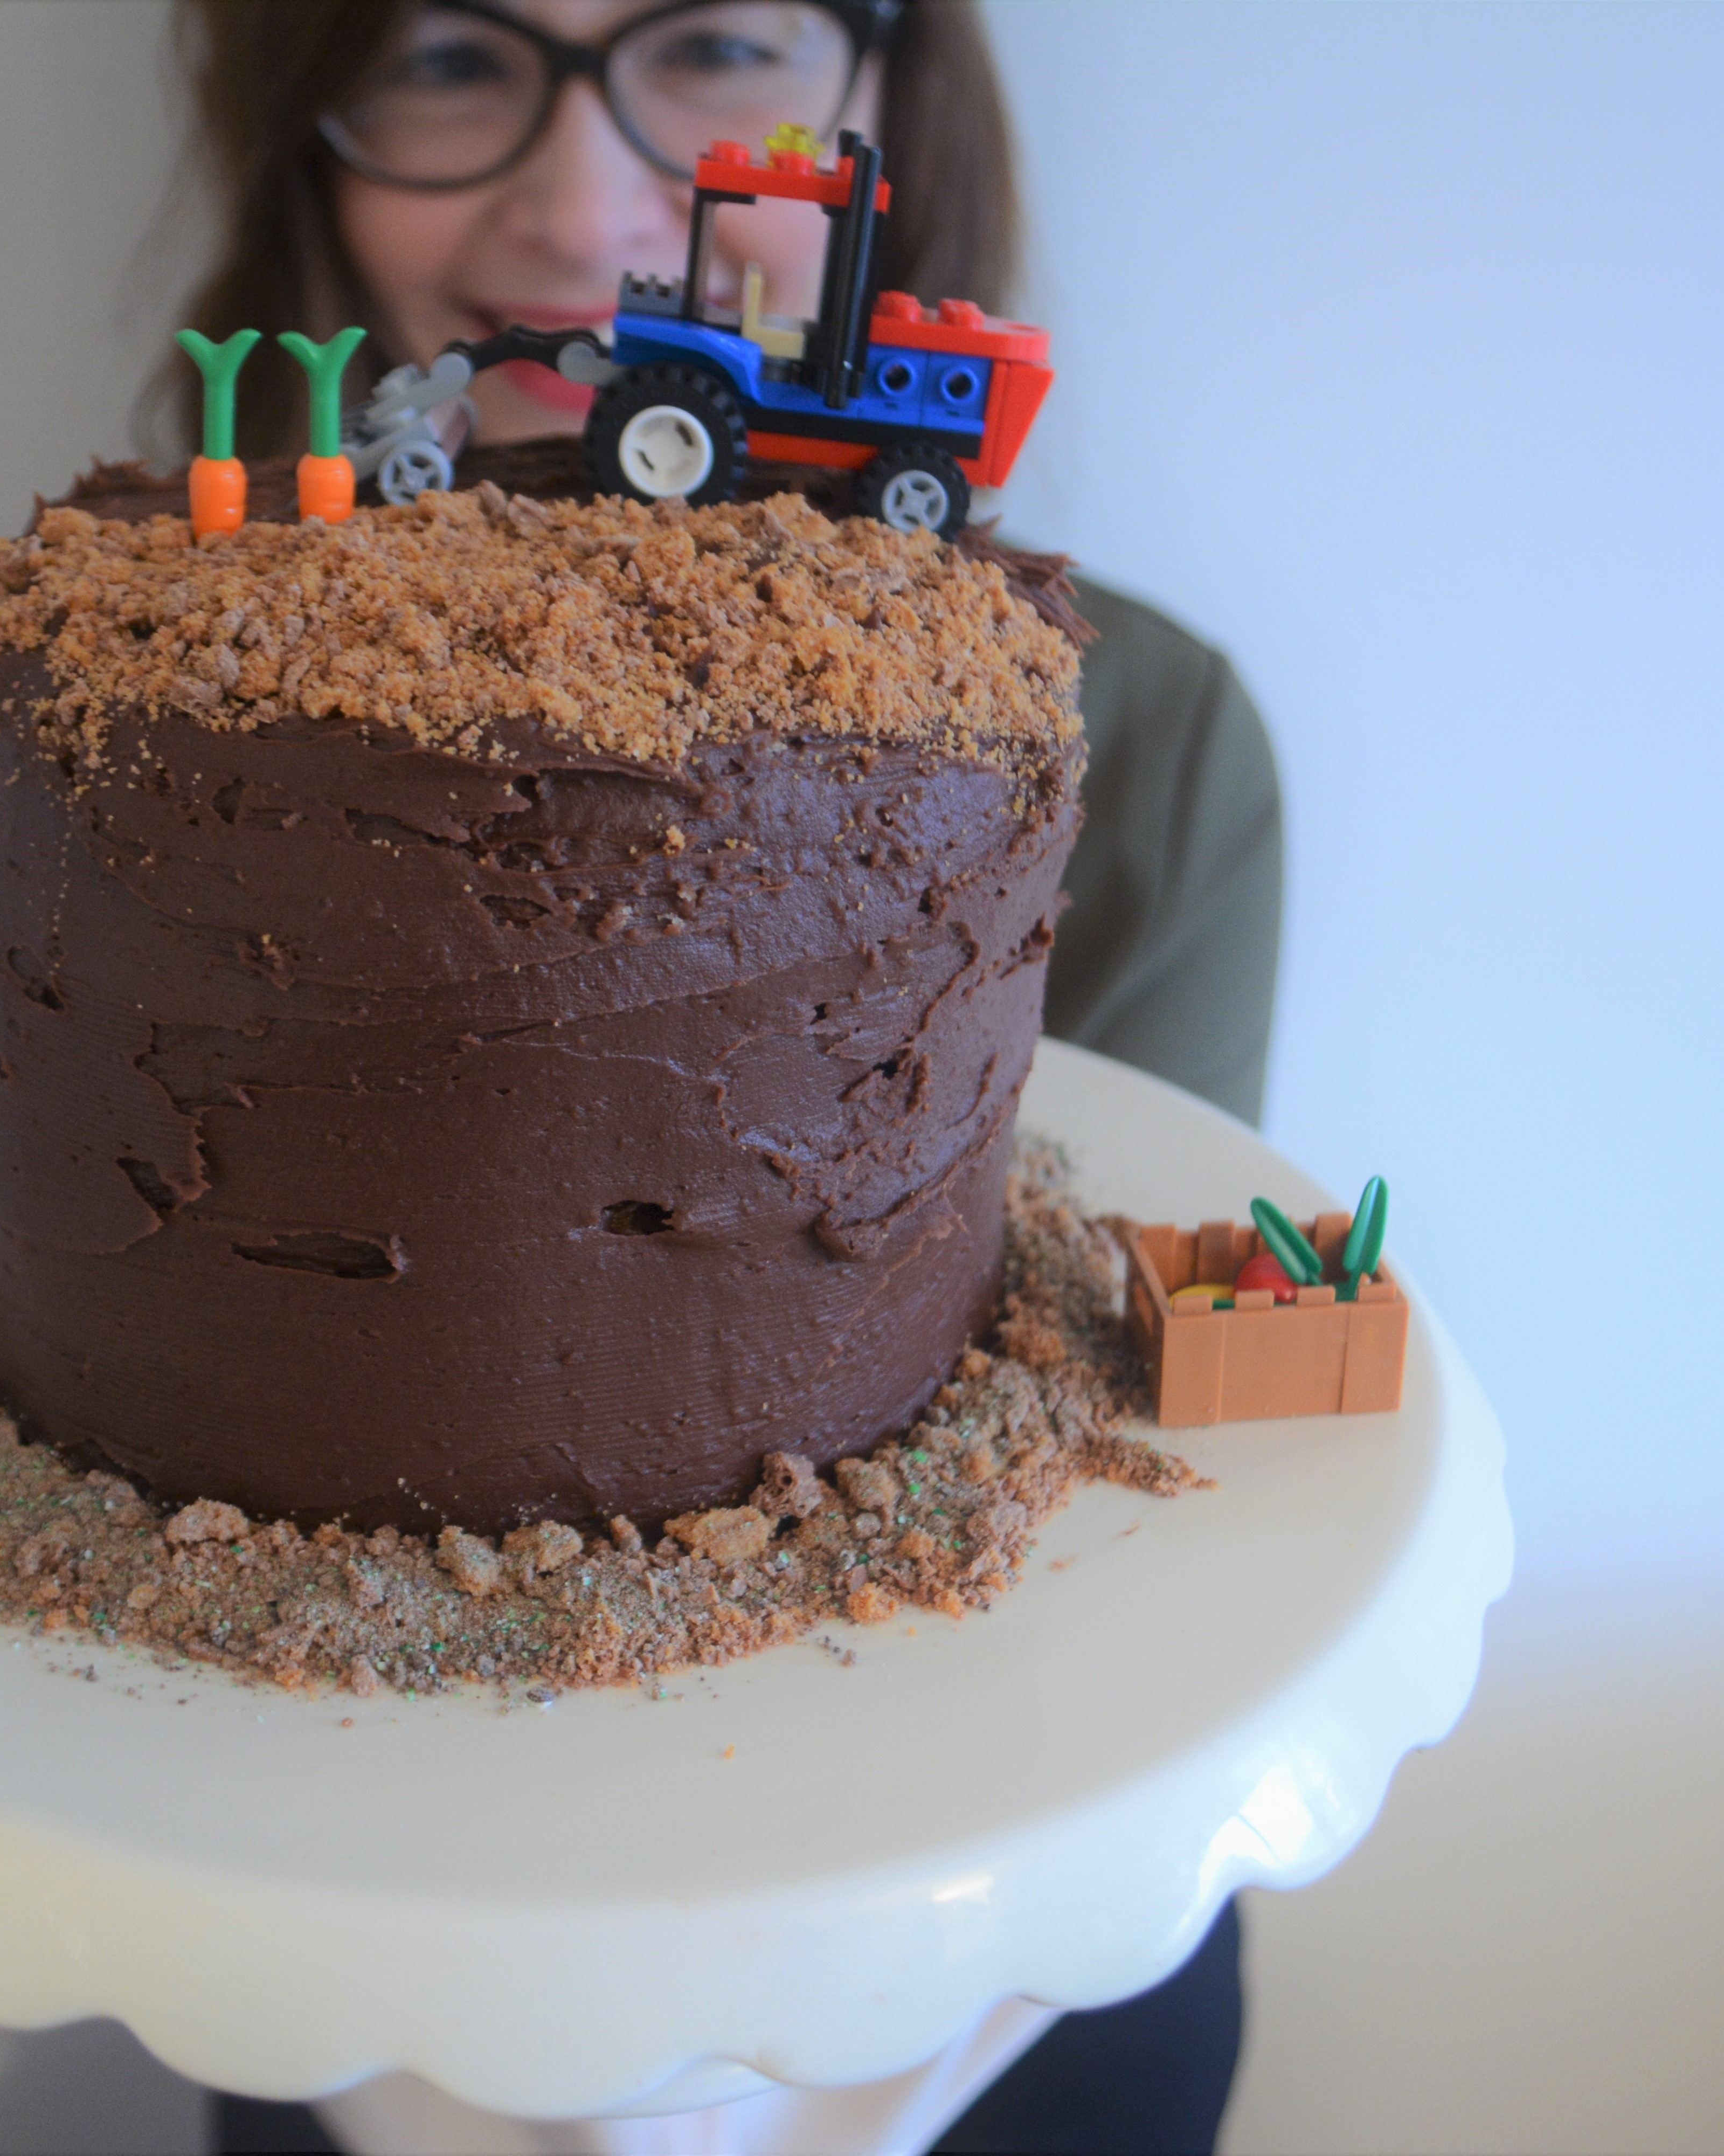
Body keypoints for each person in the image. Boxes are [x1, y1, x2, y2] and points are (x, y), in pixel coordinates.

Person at [174, 6, 1280, 2150]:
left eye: (712, 40)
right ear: (295, 134)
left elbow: (1132, 1405)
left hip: (1005, 1958)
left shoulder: (1137, 736)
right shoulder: (220, 731)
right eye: (439, 50)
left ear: (893, 93)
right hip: (350, 1927)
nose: (582, 211)